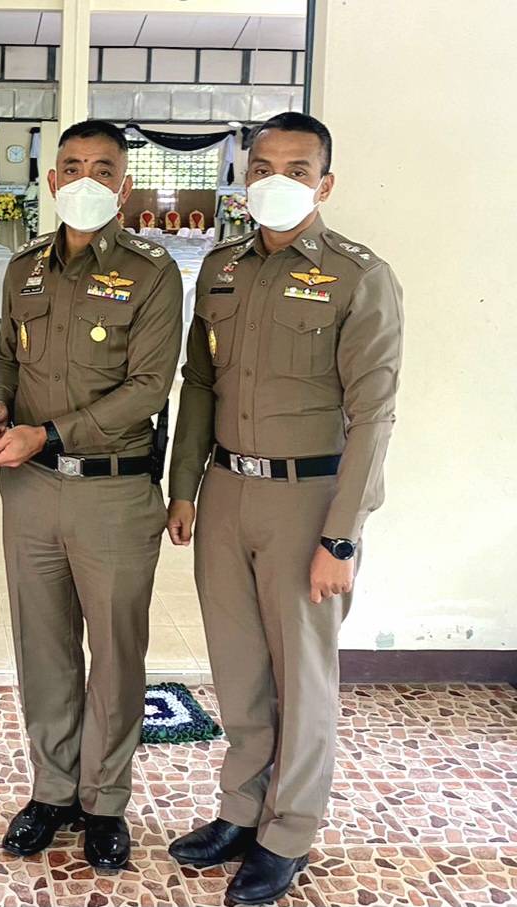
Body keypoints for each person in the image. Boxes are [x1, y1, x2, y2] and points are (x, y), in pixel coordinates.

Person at [165, 112, 404, 905]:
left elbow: (373, 416)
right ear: (244, 177)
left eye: (296, 170)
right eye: (262, 166)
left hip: (309, 501)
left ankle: (288, 832)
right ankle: (241, 811)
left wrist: (343, 535)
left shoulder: (358, 276)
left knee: (302, 678)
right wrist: (184, 486)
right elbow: (200, 384)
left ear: (324, 184)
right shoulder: (222, 269)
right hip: (227, 491)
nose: (276, 181)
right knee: (238, 668)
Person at [0, 120, 183, 872]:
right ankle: (53, 789)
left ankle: (105, 800)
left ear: (124, 186)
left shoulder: (152, 272)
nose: (85, 179)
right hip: (30, 490)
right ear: (52, 179)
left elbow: (149, 388)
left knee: (116, 654)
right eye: (72, 166)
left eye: (103, 168)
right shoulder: (24, 267)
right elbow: (6, 357)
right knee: (43, 647)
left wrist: (50, 432)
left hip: (112, 492)